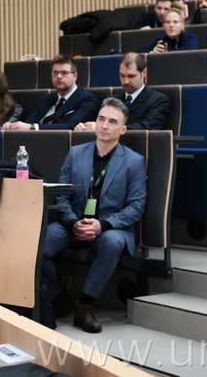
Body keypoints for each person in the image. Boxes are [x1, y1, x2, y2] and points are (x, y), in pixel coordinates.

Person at [44, 98, 147, 333]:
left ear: (123, 129)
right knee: (37, 244)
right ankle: (59, 297)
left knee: (113, 243)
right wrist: (73, 223)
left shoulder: (134, 162)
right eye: (101, 119)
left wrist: (103, 225)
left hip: (109, 228)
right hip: (73, 223)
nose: (104, 125)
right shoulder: (76, 153)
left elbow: (136, 207)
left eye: (112, 121)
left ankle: (84, 305)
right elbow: (61, 196)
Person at [75, 52, 169, 131]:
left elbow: (147, 127)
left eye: (131, 76)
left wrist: (106, 129)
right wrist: (85, 128)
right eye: (122, 76)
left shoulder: (158, 100)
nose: (126, 81)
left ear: (144, 73)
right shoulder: (111, 100)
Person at [3, 55, 99, 131]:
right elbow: (28, 123)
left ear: (75, 76)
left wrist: (33, 127)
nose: (59, 77)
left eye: (64, 73)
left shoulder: (88, 99)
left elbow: (71, 126)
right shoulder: (45, 99)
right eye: (55, 73)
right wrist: (13, 126)